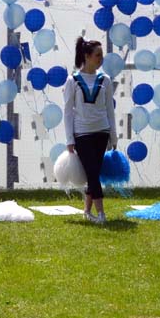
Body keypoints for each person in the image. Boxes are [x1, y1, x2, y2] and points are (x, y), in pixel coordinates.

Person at [64, 37, 117, 224]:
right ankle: (101, 214)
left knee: (93, 173)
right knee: (92, 172)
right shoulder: (73, 80)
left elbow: (110, 109)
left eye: (102, 55)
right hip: (82, 133)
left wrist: (113, 135)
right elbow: (68, 112)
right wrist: (70, 139)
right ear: (86, 56)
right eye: (97, 55)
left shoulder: (106, 80)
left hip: (102, 131)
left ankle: (87, 211)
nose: (101, 59)